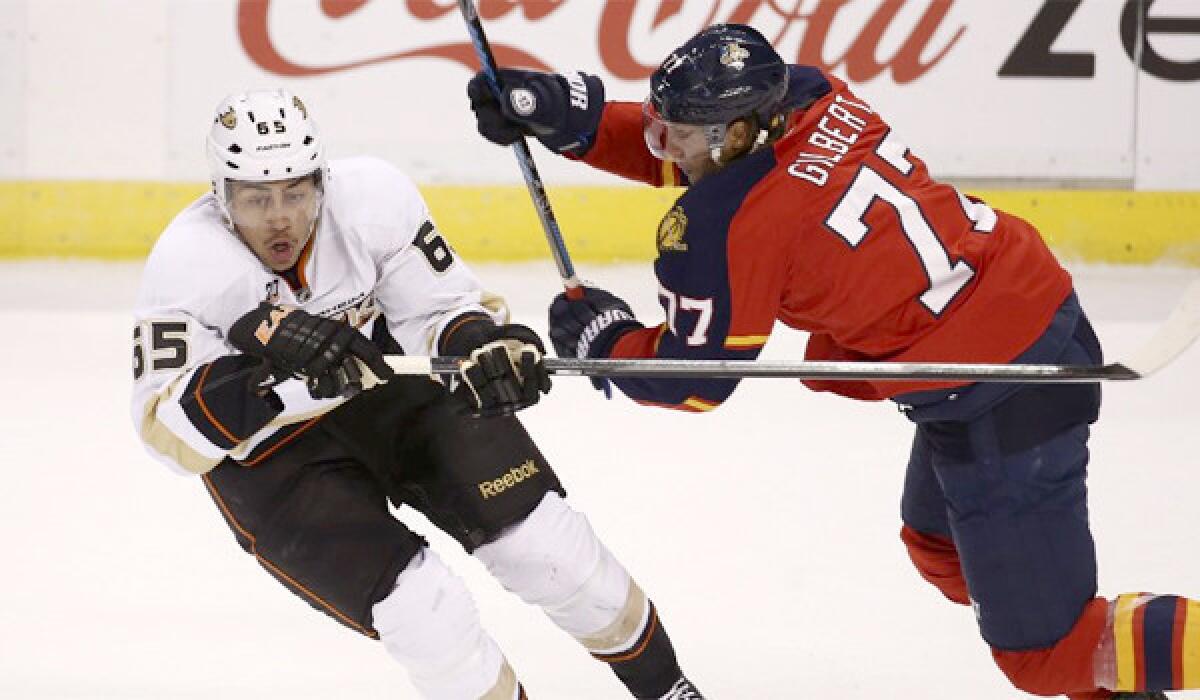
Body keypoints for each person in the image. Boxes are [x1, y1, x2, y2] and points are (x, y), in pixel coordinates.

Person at [467, 23, 1195, 700]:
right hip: (1024, 313)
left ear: (743, 129)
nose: (663, 146)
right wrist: (576, 122)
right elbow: (722, 167)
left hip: (1001, 394)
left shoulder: (727, 229)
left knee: (1044, 653)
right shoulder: (812, 91)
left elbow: (695, 380)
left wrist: (606, 344)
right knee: (941, 545)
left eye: (677, 134)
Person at [130, 88, 706, 700]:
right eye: (255, 198)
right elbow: (167, 437)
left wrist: (482, 348)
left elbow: (440, 311)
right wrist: (274, 380)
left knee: (550, 551)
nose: (279, 217)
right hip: (276, 454)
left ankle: (669, 691)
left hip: (389, 388)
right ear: (221, 196)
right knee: (427, 615)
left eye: (295, 192)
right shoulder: (186, 264)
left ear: (320, 182)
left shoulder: (372, 200)